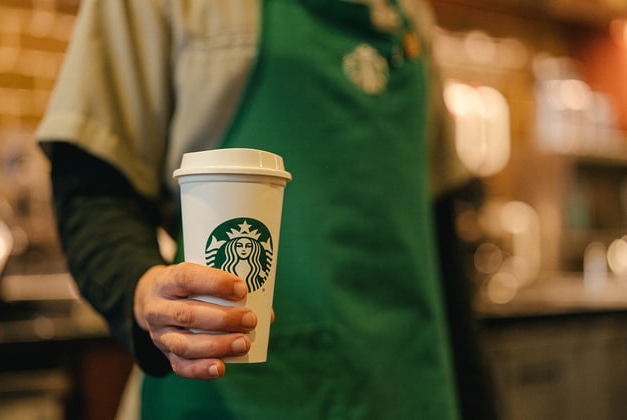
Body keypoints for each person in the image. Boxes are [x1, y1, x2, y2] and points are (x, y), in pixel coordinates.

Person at [36, 0, 497, 418]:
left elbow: (437, 234)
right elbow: (93, 186)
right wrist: (141, 291)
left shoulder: (412, 14)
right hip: (240, 400)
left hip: (407, 394)